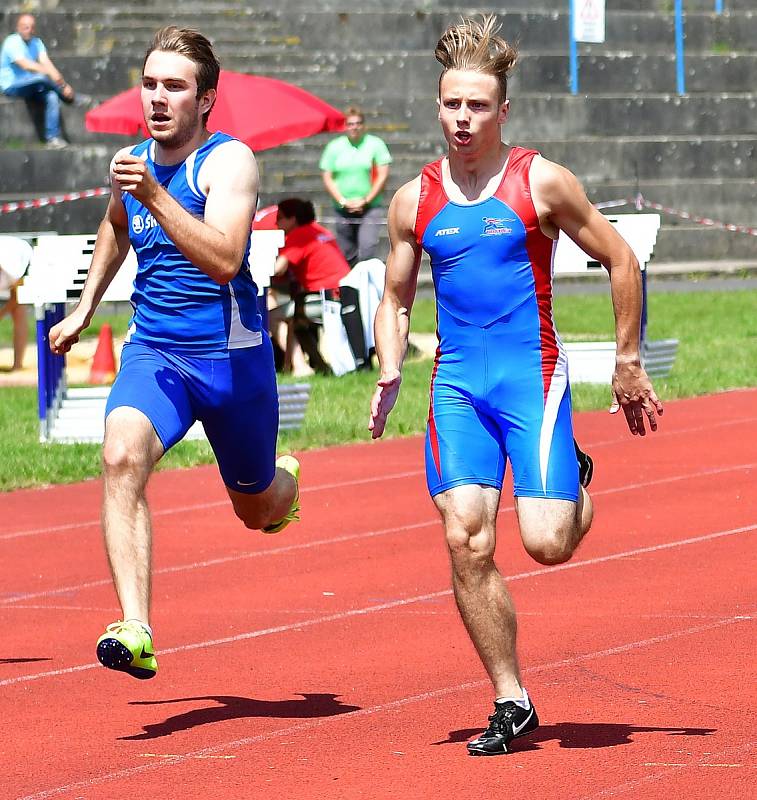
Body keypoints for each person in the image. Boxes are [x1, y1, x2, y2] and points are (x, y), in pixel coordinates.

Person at [368, 15, 663, 757]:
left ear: (503, 111)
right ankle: (510, 697)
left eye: (476, 106)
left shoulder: (541, 181)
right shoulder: (413, 200)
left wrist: (626, 361)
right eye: (450, 104)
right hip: (458, 385)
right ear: (437, 106)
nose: (461, 119)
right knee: (465, 537)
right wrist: (390, 362)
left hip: (531, 376)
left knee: (545, 543)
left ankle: (573, 481)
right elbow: (395, 297)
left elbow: (621, 259)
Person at [48, 26, 300, 681]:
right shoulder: (131, 162)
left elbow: (223, 259)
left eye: (175, 87)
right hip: (156, 353)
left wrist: (154, 195)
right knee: (118, 453)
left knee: (256, 508)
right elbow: (113, 227)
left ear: (205, 99)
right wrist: (83, 307)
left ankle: (284, 481)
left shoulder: (228, 162)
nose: (158, 98)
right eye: (151, 84)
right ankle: (135, 627)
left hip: (232, 363)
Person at [274, 197, 368, 374]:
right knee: (297, 321)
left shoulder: (299, 235)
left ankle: (301, 367)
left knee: (272, 317)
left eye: (279, 218)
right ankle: (320, 367)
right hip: (347, 295)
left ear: (292, 219)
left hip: (329, 300)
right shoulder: (319, 230)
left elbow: (278, 269)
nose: (276, 223)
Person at [319, 106, 392, 267]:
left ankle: (366, 287)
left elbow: (382, 175)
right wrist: (343, 201)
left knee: (367, 247)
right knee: (346, 252)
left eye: (358, 123)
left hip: (369, 206)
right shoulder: (334, 147)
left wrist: (365, 200)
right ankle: (350, 289)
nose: (355, 127)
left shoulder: (375, 144)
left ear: (363, 125)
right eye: (350, 124)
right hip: (342, 208)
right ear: (345, 126)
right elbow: (327, 176)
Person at [0, 13, 78, 148]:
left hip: (31, 85)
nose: (29, 30)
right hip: (11, 86)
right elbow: (25, 65)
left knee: (52, 96)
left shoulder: (37, 42)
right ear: (18, 28)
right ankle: (69, 96)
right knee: (41, 78)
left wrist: (64, 84)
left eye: (31, 27)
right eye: (25, 27)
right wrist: (56, 81)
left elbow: (47, 63)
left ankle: (52, 138)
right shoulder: (11, 42)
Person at [0, 236, 32, 371]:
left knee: (18, 311)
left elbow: (16, 298)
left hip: (24, 257)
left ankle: (17, 365)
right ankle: (17, 365)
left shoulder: (13, 262)